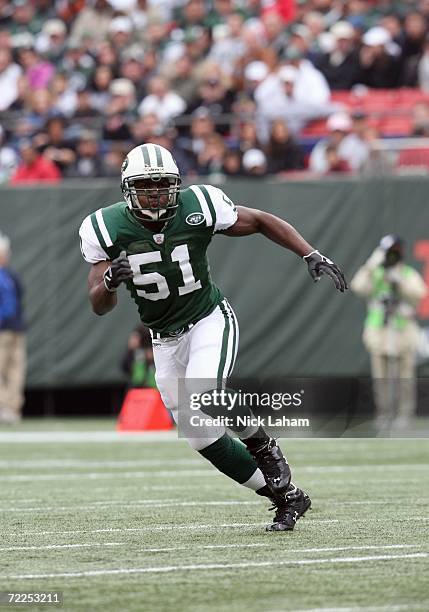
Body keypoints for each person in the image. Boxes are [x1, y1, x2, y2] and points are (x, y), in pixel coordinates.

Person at [79, 143, 347, 532]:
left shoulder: (198, 205)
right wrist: (108, 282)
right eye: (146, 186)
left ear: (176, 185)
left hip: (208, 318)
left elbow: (258, 220)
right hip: (164, 338)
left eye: (162, 185)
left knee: (206, 391)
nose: (155, 194)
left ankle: (265, 448)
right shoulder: (104, 227)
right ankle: (286, 496)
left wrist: (309, 253)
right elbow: (97, 305)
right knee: (199, 436)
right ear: (127, 189)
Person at [351, 235, 427, 430]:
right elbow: (357, 286)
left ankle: (404, 415)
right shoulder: (375, 274)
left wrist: (399, 282)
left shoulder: (408, 273)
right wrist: (371, 266)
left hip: (403, 331)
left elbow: (419, 294)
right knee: (380, 377)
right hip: (379, 331)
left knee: (405, 377)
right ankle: (383, 414)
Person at [0, 234, 25, 425]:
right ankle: (11, 408)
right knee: (15, 370)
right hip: (16, 327)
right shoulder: (11, 275)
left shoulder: (7, 275)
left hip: (7, 329)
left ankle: (7, 408)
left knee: (9, 370)